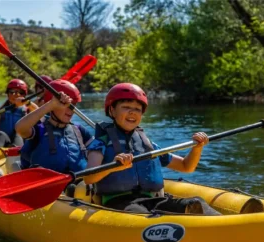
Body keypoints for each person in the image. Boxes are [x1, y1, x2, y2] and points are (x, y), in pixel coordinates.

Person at [84, 83, 219, 215]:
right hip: (118, 202)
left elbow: (186, 166)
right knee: (141, 214)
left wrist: (197, 148)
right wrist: (113, 167)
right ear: (112, 110)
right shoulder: (101, 143)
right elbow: (88, 178)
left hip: (152, 200)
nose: (132, 112)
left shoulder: (147, 144)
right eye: (126, 107)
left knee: (196, 202)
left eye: (137, 109)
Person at [16, 79, 94, 173]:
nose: (70, 110)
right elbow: (20, 128)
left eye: (73, 105)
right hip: (46, 185)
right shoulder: (39, 129)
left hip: (79, 184)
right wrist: (51, 104)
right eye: (65, 105)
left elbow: (99, 149)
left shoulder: (79, 130)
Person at [0, 79, 38, 147]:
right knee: (0, 134)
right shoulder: (1, 112)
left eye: (20, 92)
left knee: (18, 134)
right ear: (8, 94)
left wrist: (28, 103)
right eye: (12, 92)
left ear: (24, 95)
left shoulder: (29, 109)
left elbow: (40, 113)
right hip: (3, 143)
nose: (16, 95)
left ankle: (15, 150)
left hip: (21, 144)